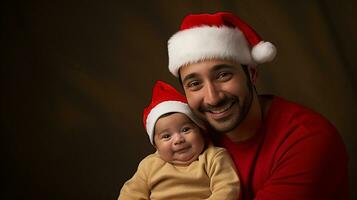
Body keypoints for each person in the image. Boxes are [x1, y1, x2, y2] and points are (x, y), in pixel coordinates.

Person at [166, 12, 349, 200]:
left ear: (252, 73)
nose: (212, 98)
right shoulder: (192, 139)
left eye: (223, 75)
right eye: (195, 84)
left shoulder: (307, 138)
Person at [118, 81, 240, 200]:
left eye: (186, 130)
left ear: (200, 130)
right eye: (166, 136)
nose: (178, 139)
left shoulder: (214, 157)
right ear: (156, 145)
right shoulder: (149, 165)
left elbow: (227, 190)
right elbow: (130, 195)